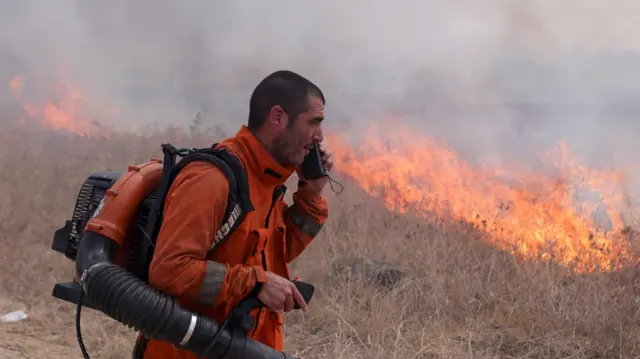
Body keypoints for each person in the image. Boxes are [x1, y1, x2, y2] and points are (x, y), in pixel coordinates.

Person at [139, 70, 332, 358]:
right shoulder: (212, 179)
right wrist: (256, 283)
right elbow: (169, 271)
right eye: (313, 122)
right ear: (278, 117)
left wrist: (310, 195)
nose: (319, 136)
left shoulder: (266, 181)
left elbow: (275, 253)